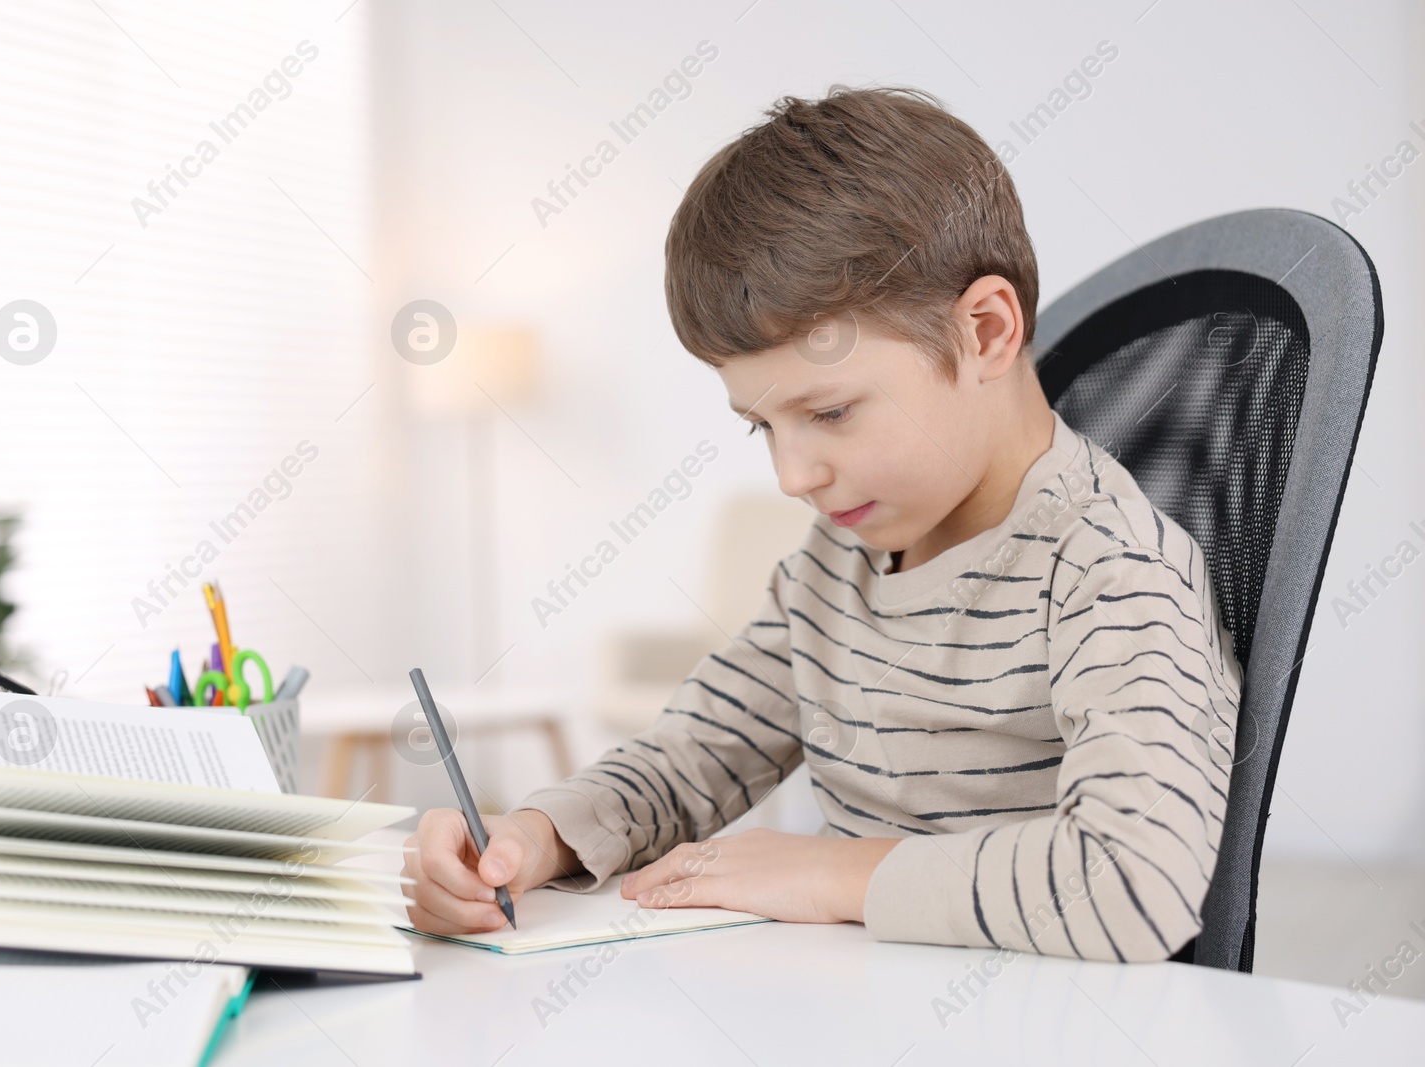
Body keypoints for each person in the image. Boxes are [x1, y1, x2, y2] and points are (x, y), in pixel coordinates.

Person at [403, 85, 1243, 962]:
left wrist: (829, 873)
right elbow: (694, 755)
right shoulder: (839, 559)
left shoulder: (1111, 571)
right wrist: (535, 837)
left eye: (832, 412)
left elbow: (1129, 883)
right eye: (764, 425)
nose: (793, 475)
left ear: (986, 331)